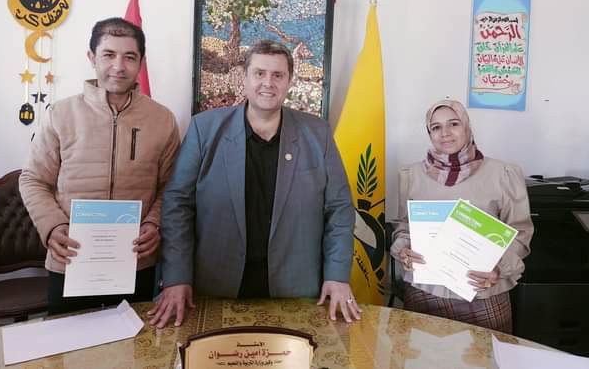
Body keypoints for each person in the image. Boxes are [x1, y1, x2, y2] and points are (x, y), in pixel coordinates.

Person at [148, 39, 360, 327]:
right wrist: (176, 276)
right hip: (215, 286)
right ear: (244, 78)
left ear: (289, 81)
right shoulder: (204, 129)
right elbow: (177, 205)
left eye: (278, 75)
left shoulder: (318, 133)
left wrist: (337, 275)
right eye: (259, 73)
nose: (268, 83)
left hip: (296, 289)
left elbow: (339, 209)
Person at [19, 17, 180, 315]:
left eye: (129, 57)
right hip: (70, 259)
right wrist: (53, 227)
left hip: (136, 261)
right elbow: (33, 179)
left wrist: (154, 223)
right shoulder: (60, 114)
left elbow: (171, 186)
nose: (119, 66)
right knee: (68, 341)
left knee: (136, 342)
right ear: (92, 57)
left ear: (141, 62)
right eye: (108, 54)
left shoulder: (162, 120)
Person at [389, 99, 533, 333]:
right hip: (425, 292)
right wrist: (404, 249)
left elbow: (521, 233)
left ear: (467, 126)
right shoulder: (411, 175)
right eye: (436, 127)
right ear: (429, 133)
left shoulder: (503, 174)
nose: (445, 133)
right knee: (423, 354)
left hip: (483, 292)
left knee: (487, 354)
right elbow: (405, 226)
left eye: (453, 124)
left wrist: (499, 269)